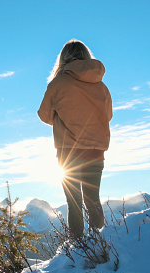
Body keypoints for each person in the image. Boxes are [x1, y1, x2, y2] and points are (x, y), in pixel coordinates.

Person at [38, 39, 112, 238]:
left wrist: (63, 118)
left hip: (68, 152)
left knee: (74, 202)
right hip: (96, 151)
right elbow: (108, 116)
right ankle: (100, 242)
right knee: (93, 200)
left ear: (63, 59)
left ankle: (77, 245)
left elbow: (44, 115)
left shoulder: (58, 83)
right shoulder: (101, 86)